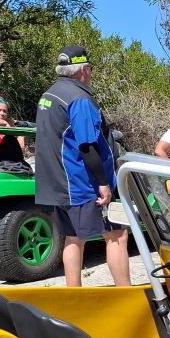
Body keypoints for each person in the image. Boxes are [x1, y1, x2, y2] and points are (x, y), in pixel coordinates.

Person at [35, 45, 131, 287]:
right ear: (84, 70)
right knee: (117, 234)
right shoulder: (79, 98)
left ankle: (73, 294)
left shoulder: (49, 95)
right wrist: (103, 183)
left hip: (57, 183)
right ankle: (125, 293)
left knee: (73, 238)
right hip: (81, 183)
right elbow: (87, 145)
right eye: (89, 69)